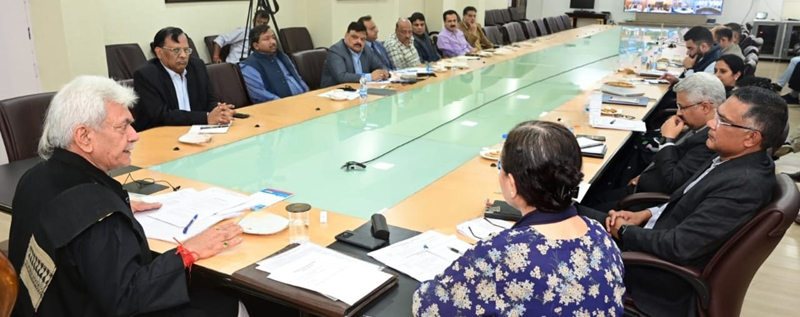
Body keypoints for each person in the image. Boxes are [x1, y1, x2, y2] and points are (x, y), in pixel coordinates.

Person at [7, 76, 248, 316]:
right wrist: (189, 251)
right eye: (123, 127)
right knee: (228, 303)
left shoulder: (34, 177)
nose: (135, 135)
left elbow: (65, 221)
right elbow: (127, 298)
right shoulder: (98, 214)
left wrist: (116, 205)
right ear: (84, 137)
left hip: (50, 305)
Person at [590, 87, 787, 317]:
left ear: (751, 138)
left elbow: (679, 247)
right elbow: (685, 198)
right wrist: (646, 214)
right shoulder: (733, 156)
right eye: (717, 115)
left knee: (562, 221)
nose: (712, 125)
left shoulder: (743, 185)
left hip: (653, 275)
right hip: (655, 235)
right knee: (572, 212)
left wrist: (624, 231)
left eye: (723, 121)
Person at [413, 121, 626, 317]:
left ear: (512, 185)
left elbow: (427, 307)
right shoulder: (600, 234)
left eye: (500, 167)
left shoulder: (503, 254)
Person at [582, 73, 722, 213]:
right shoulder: (698, 129)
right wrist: (646, 173)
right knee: (593, 197)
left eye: (682, 107)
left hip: (647, 203)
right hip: (644, 185)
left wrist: (667, 139)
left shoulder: (710, 140)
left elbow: (671, 182)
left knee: (585, 209)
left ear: (705, 107)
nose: (678, 113)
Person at [133, 27, 236, 131]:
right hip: (163, 134)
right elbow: (160, 115)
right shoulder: (146, 75)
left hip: (197, 131)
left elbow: (210, 100)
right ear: (159, 52)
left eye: (186, 50)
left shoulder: (197, 66)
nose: (183, 55)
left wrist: (220, 111)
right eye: (176, 50)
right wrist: (206, 118)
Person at [240, 25, 309, 103]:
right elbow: (259, 94)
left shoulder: (282, 56)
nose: (273, 42)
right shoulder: (249, 66)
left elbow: (298, 78)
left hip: (303, 100)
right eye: (267, 39)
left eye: (273, 37)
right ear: (256, 46)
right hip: (280, 107)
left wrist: (308, 94)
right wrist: (285, 103)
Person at [320, 22, 390, 88]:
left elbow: (379, 65)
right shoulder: (336, 51)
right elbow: (341, 77)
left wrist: (384, 72)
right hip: (334, 93)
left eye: (362, 39)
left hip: (360, 90)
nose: (359, 41)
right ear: (346, 36)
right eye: (355, 37)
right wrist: (370, 77)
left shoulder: (366, 49)